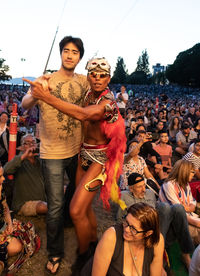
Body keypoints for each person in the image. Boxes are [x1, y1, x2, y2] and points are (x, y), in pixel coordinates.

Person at [23, 57, 126, 272]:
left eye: (102, 76)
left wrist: (46, 96)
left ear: (109, 78)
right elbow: (68, 99)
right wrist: (44, 85)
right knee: (85, 208)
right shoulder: (88, 93)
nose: (97, 79)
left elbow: (81, 114)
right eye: (93, 74)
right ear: (88, 75)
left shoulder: (108, 103)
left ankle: (84, 256)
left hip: (100, 160)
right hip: (84, 154)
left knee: (76, 211)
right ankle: (94, 247)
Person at [22, 36, 89, 274]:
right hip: (52, 153)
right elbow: (25, 103)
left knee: (76, 194)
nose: (70, 55)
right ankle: (55, 253)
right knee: (55, 206)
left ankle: (70, 223)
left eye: (75, 52)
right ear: (61, 53)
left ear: (80, 57)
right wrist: (35, 94)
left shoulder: (84, 81)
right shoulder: (46, 80)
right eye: (66, 51)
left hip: (76, 150)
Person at [117, 172, 194, 269]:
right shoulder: (124, 196)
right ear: (131, 188)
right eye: (139, 187)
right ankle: (159, 252)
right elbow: (120, 219)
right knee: (165, 206)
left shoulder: (149, 193)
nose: (144, 189)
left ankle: (185, 254)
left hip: (161, 232)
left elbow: (160, 216)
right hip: (146, 236)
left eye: (144, 186)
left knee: (178, 208)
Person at [91, 203, 164, 276]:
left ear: (147, 233)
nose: (126, 229)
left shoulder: (157, 241)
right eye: (126, 222)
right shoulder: (111, 236)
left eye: (133, 228)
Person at [0, 164, 40, 275]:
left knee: (17, 247)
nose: (3, 179)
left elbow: (6, 208)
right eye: (0, 176)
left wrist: (9, 224)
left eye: (2, 175)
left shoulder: (1, 191)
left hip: (2, 230)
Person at [3, 134, 47, 216]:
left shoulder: (40, 160)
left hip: (42, 201)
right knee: (46, 207)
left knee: (65, 190)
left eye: (33, 142)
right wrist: (25, 155)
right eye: (27, 143)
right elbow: (6, 170)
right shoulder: (19, 160)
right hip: (24, 204)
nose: (31, 144)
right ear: (21, 147)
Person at [159, 159, 200, 244]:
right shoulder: (169, 185)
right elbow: (178, 210)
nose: (194, 174)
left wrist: (189, 208)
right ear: (184, 172)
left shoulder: (186, 184)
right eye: (192, 172)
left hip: (188, 216)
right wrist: (195, 222)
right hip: (175, 221)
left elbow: (192, 202)